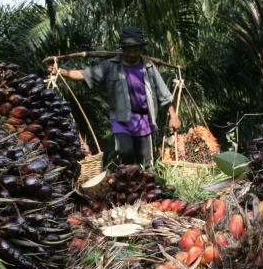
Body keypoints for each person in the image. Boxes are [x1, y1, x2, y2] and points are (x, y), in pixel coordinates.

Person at [48, 27, 181, 167]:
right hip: (121, 120)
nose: (131, 53)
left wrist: (173, 116)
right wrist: (60, 71)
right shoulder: (110, 66)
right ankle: (128, 184)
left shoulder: (148, 66)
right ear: (123, 49)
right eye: (128, 49)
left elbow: (164, 94)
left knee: (146, 160)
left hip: (144, 121)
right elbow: (82, 75)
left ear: (140, 49)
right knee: (126, 154)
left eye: (135, 49)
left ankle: (147, 185)